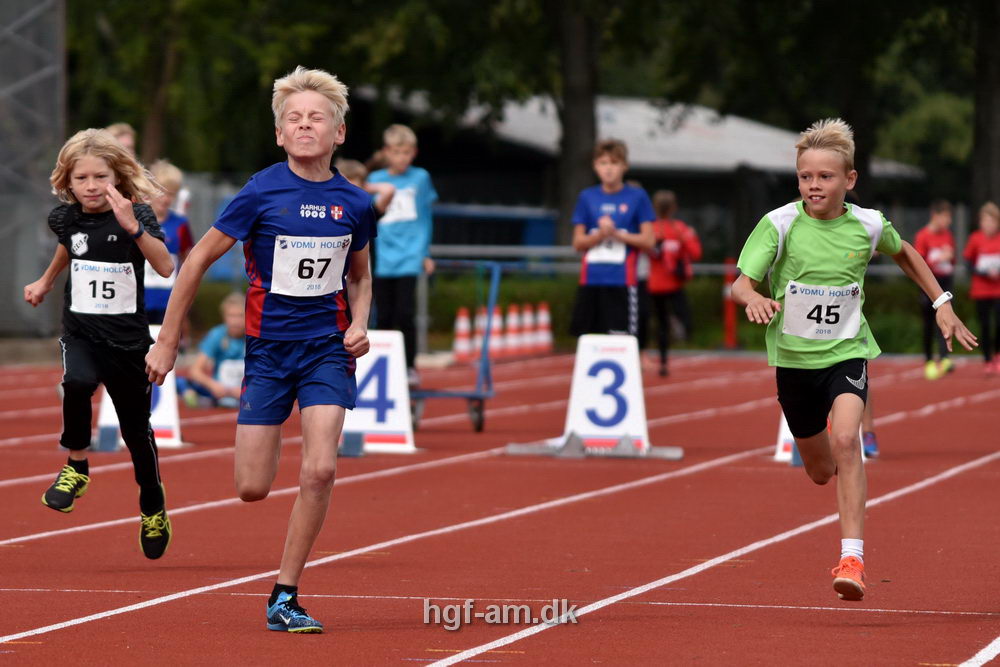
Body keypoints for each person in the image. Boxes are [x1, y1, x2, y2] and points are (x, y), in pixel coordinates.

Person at [145, 66, 375, 634]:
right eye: (292, 118)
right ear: (279, 134)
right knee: (252, 487)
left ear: (338, 133)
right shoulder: (260, 191)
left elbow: (362, 276)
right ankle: (264, 457)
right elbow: (196, 261)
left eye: (315, 117)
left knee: (320, 470)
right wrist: (169, 340)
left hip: (327, 349)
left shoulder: (356, 203)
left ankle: (285, 594)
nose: (304, 125)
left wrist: (361, 323)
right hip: (268, 353)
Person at [732, 118, 976, 602]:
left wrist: (941, 301)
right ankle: (829, 476)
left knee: (849, 439)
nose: (813, 185)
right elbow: (742, 281)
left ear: (850, 180)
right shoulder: (779, 223)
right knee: (821, 468)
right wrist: (750, 299)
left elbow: (904, 251)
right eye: (805, 176)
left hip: (847, 352)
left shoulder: (866, 224)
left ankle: (852, 558)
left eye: (824, 176)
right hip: (794, 362)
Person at [23, 128, 175, 559]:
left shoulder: (139, 214)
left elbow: (165, 267)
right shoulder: (65, 218)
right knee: (76, 382)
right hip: (82, 331)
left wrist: (133, 227)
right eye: (82, 178)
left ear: (117, 176)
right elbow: (69, 249)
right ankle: (76, 465)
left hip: (127, 342)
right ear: (67, 182)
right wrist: (46, 282)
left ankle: (153, 506)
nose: (91, 187)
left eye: (100, 177)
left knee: (135, 433)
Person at [366, 124, 437, 386]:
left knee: (405, 313)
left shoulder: (420, 178)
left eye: (406, 152)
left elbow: (426, 216)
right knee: (383, 315)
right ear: (386, 152)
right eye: (396, 152)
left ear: (414, 152)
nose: (402, 158)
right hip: (382, 256)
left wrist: (426, 252)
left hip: (410, 255)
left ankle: (409, 366)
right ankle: (384, 366)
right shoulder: (374, 180)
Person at [570, 139, 655, 338]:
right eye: (603, 163)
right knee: (588, 338)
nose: (608, 169)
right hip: (591, 278)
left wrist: (616, 233)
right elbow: (577, 242)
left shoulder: (637, 197)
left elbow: (648, 240)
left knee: (622, 339)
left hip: (622, 279)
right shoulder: (587, 197)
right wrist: (600, 233)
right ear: (595, 166)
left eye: (614, 163)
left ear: (624, 166)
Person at [647, 190, 702, 376]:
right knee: (681, 317)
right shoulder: (680, 229)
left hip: (655, 285)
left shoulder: (650, 228)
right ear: (673, 208)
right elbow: (695, 253)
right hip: (670, 285)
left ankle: (662, 360)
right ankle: (680, 333)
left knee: (659, 324)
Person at [144, 159, 195, 324]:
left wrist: (186, 296)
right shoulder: (135, 220)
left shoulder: (180, 224)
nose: (165, 199)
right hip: (138, 299)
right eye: (161, 191)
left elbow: (188, 261)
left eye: (171, 193)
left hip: (169, 301)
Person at [177, 292, 246, 408]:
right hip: (219, 390)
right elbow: (195, 371)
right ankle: (198, 398)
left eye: (240, 316)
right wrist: (213, 385)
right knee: (178, 382)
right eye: (231, 316)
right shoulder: (216, 335)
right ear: (224, 317)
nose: (236, 321)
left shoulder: (254, 338)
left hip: (245, 391)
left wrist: (246, 390)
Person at [914, 200, 957, 379]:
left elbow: (952, 261)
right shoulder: (923, 236)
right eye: (945, 217)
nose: (948, 221)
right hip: (929, 285)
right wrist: (939, 259)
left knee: (946, 320)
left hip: (945, 284)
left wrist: (949, 258)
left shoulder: (948, 235)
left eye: (950, 217)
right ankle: (929, 360)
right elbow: (918, 263)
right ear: (935, 215)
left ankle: (945, 358)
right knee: (929, 324)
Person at [963, 201, 1000, 375]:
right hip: (981, 290)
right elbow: (968, 263)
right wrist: (983, 272)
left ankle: (998, 356)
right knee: (984, 325)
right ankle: (987, 359)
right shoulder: (975, 239)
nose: (989, 225)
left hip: (998, 290)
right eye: (985, 221)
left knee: (998, 324)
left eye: (992, 221)